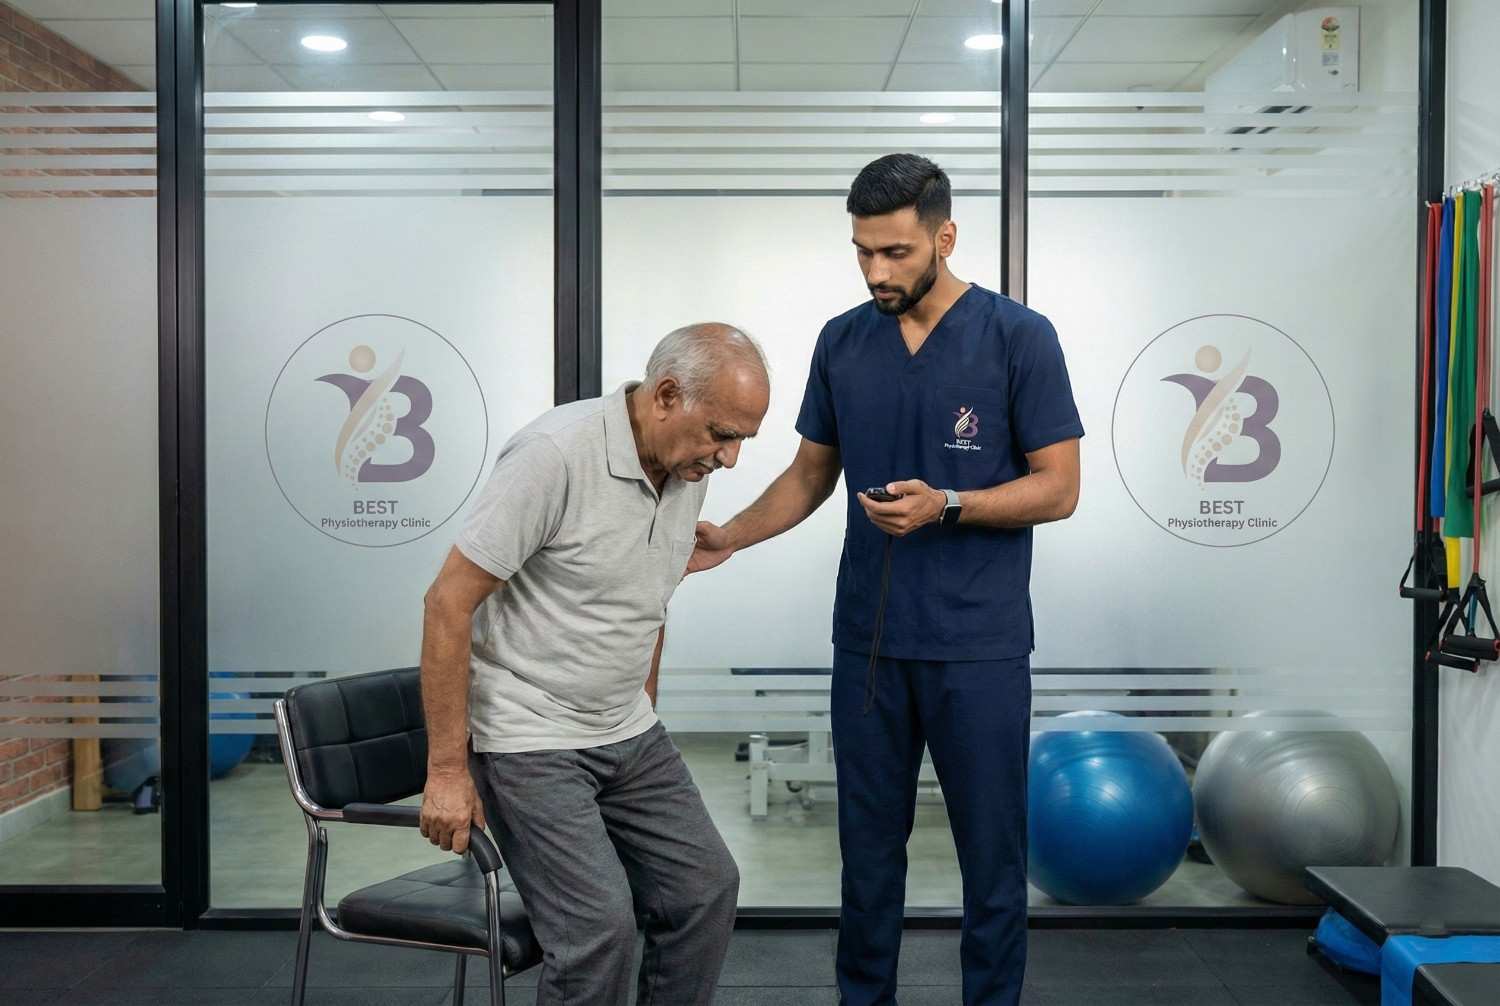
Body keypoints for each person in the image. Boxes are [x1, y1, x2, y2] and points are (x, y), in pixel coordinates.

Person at [691, 154, 1083, 1005]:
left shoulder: (1020, 337)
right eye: (864, 252)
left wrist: (950, 503)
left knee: (992, 859)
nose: (878, 271)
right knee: (867, 860)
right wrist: (729, 536)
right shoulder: (842, 341)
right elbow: (807, 474)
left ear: (944, 236)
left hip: (978, 646)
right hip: (869, 643)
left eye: (897, 252)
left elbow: (1060, 487)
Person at [418, 323, 770, 1006]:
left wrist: (646, 708)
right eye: (721, 434)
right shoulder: (555, 456)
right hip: (531, 738)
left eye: (741, 442)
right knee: (599, 927)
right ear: (667, 394)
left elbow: (650, 600)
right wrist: (448, 770)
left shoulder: (683, 467)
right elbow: (447, 604)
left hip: (626, 732)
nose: (728, 459)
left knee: (705, 889)